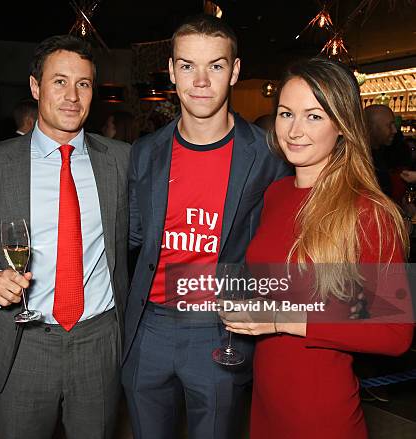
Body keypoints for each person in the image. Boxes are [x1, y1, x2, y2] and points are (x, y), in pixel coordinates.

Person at [220, 57, 413, 438]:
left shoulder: (369, 211)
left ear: (341, 126)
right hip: (265, 400)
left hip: (321, 414)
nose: (294, 130)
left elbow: (395, 334)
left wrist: (280, 319)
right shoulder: (276, 194)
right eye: (286, 113)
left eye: (313, 116)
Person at [123, 15, 290, 439]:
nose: (200, 81)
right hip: (149, 326)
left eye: (215, 66)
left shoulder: (268, 156)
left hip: (220, 328)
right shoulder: (144, 153)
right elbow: (134, 239)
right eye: (187, 66)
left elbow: (281, 247)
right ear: (172, 71)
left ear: (234, 71)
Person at [0, 35, 129, 439]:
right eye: (59, 82)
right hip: (25, 342)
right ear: (35, 87)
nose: (72, 96)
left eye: (83, 84)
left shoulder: (123, 161)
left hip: (98, 341)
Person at [365, 104, 397, 197]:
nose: (394, 130)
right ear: (371, 127)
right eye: (389, 125)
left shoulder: (381, 154)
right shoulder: (359, 161)